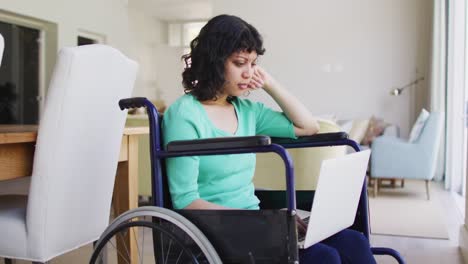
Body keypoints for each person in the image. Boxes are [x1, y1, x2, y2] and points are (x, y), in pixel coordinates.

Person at [162, 14, 376, 264]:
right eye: (240, 63)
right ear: (214, 62)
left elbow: (308, 126)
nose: (248, 72)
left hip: (255, 221)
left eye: (253, 64)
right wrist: (267, 221)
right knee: (323, 258)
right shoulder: (184, 114)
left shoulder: (247, 110)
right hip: (215, 230)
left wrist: (270, 83)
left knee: (354, 242)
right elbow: (186, 201)